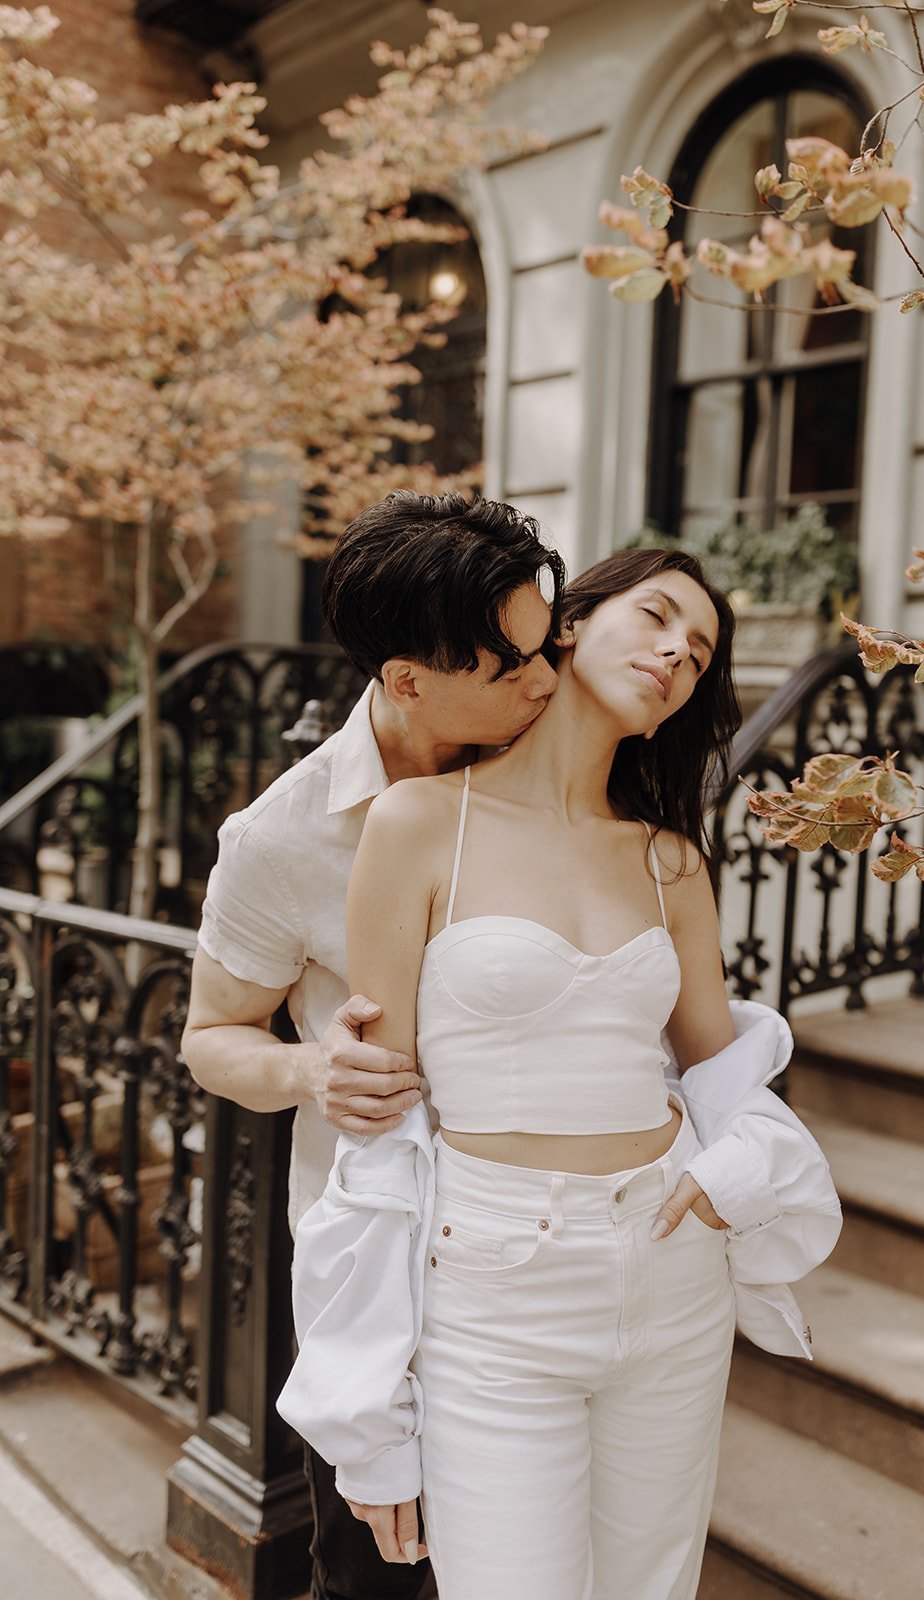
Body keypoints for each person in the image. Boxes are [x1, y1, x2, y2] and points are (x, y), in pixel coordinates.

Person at [278, 548, 842, 1600]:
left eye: (700, 649)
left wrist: (744, 1170)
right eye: (659, 615)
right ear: (570, 625)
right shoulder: (419, 824)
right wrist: (369, 1411)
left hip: (670, 1268)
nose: (678, 650)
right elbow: (383, 1129)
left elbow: (725, 1077)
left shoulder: (666, 858)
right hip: (493, 1287)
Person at [182, 490, 567, 1600]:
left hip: (548, 1256)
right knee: (374, 1577)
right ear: (405, 678)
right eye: (509, 668)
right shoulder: (279, 838)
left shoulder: (562, 764)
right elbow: (212, 1038)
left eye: (548, 648)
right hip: (384, 1285)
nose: (545, 682)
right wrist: (313, 1070)